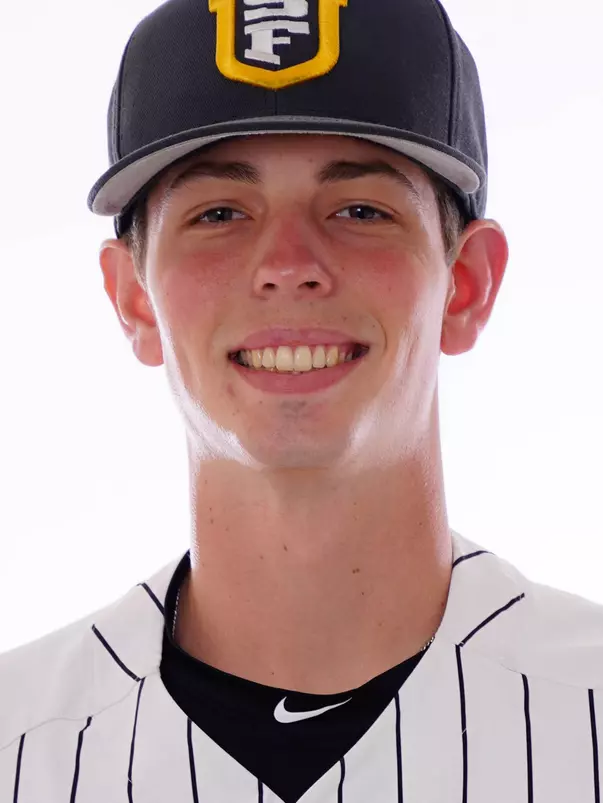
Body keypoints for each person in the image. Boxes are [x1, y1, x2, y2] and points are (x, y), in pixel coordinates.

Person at [1, 1, 602, 801]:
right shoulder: (18, 743)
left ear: (465, 284)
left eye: (359, 210)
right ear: (133, 299)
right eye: (218, 212)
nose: (287, 263)